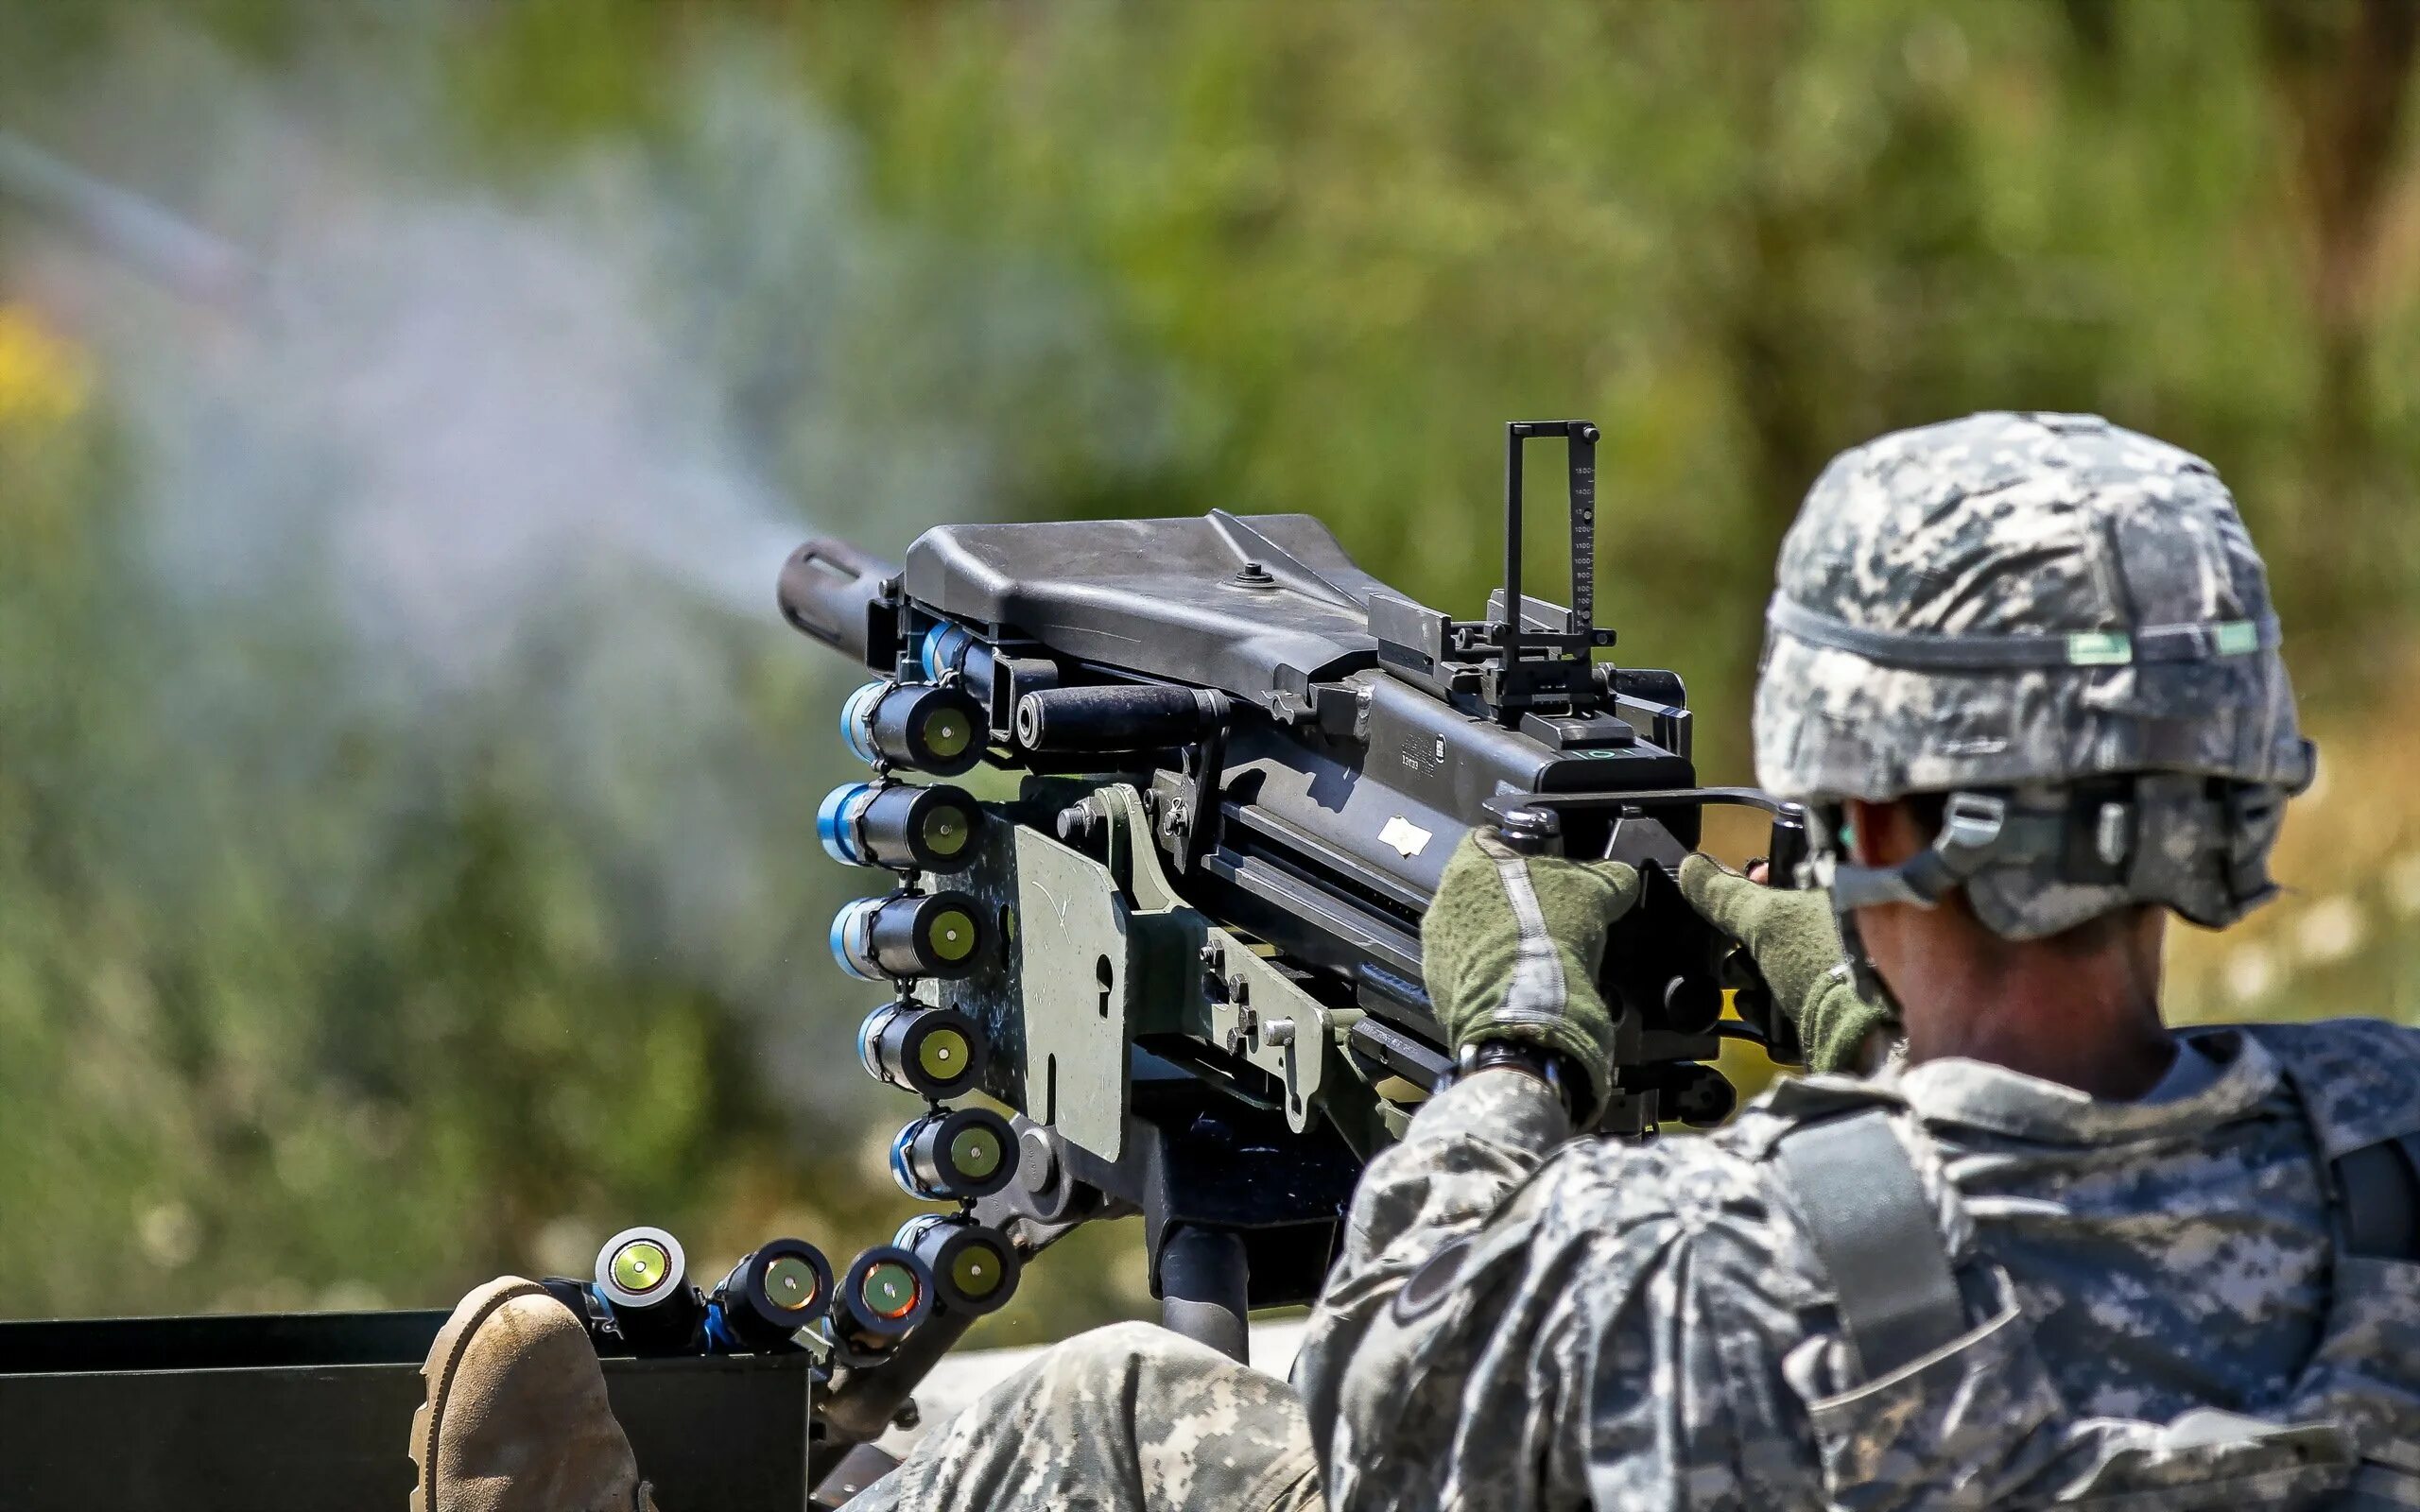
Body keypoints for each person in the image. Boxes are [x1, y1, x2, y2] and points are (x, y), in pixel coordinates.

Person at [411, 412, 2420, 1512]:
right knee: (1129, 1399)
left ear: (1853, 808)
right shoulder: (2382, 1160)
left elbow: (1391, 1369)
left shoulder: (1698, 1282)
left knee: (1076, 1436)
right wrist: (1856, 1024)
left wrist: (1519, 1035)